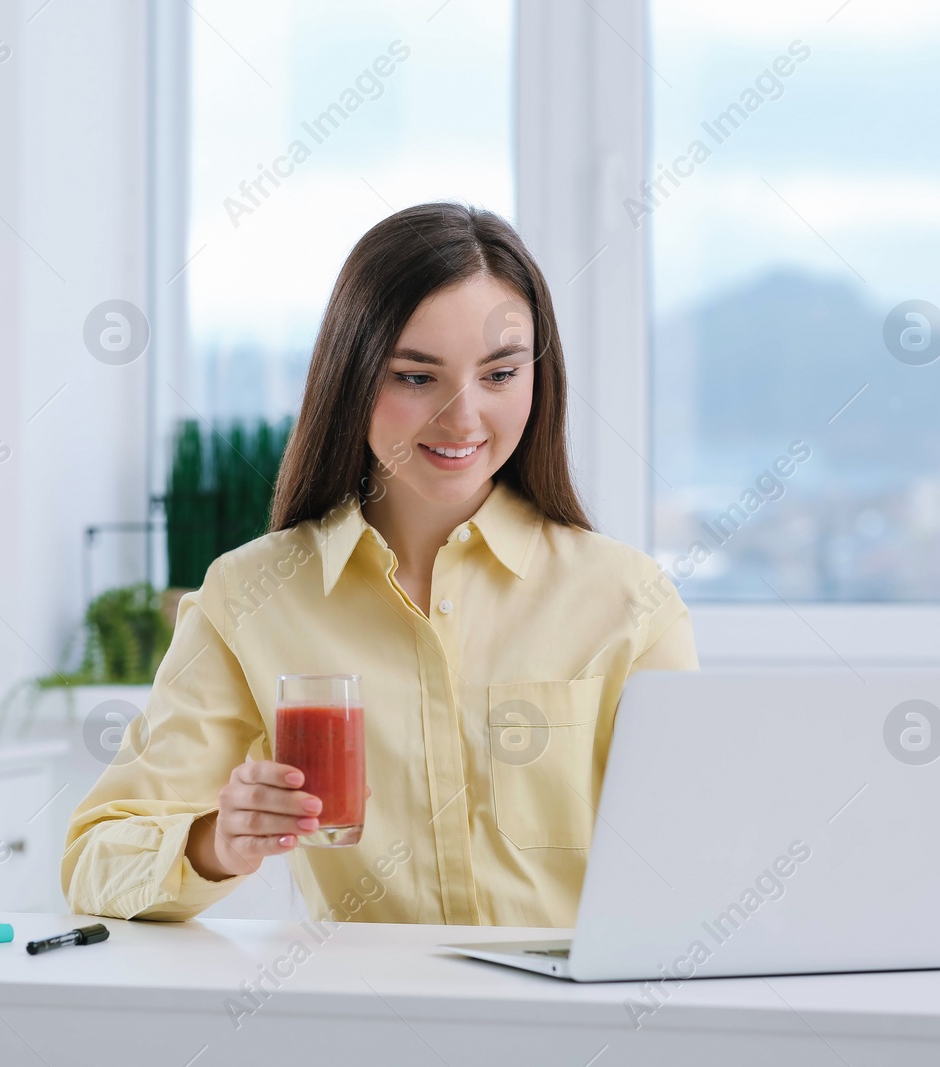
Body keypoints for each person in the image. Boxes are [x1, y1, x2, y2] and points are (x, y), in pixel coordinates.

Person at [63, 203, 697, 927]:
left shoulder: (627, 599)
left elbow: (693, 855)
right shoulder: (252, 596)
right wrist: (216, 842)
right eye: (416, 377)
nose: (463, 419)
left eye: (499, 374)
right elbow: (95, 858)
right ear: (353, 375)